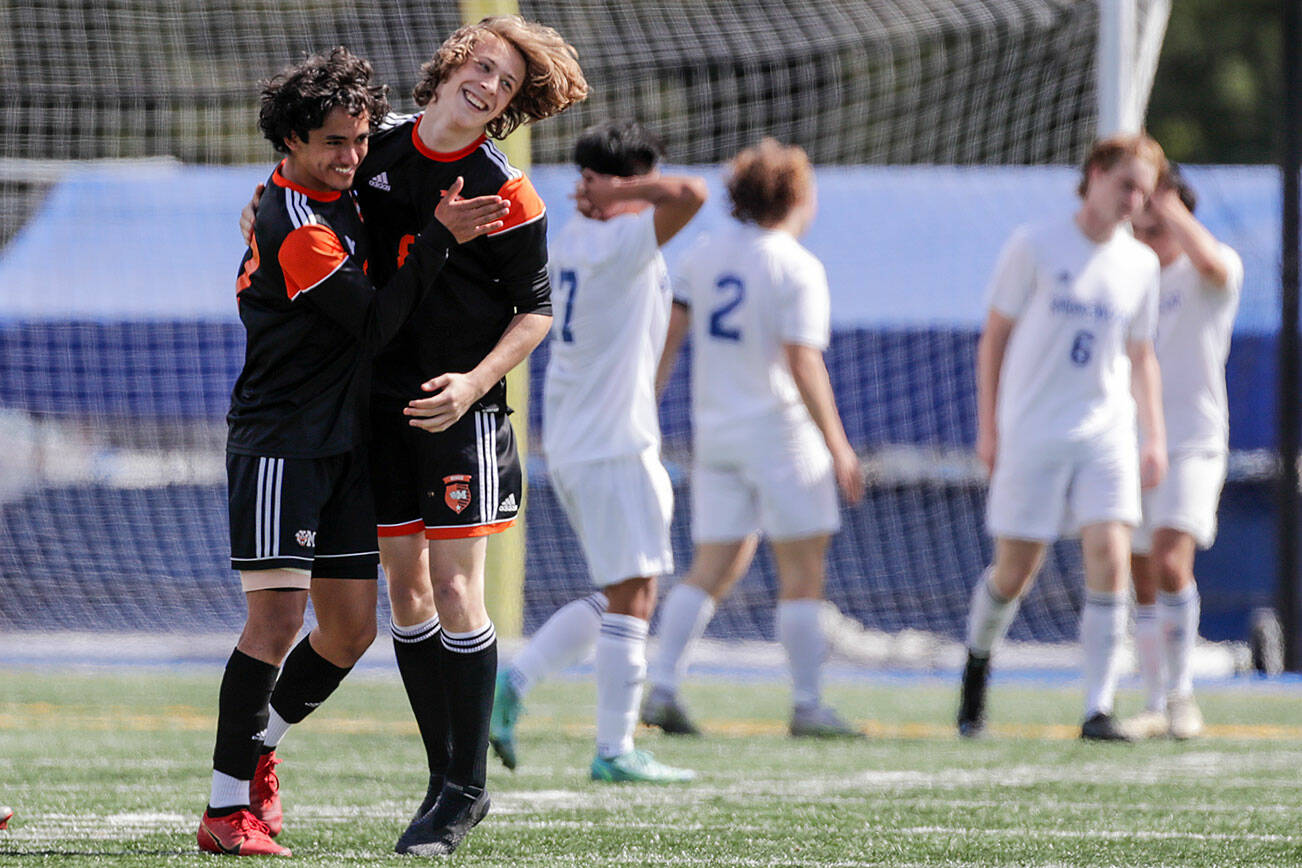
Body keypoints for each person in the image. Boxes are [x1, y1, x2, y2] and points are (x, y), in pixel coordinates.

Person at [242, 15, 587, 857]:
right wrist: (259, 210)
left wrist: (473, 385)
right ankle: (444, 782)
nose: (489, 87)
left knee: (459, 587)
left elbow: (537, 310)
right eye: (485, 66)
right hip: (375, 406)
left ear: (512, 105)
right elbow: (303, 189)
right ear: (454, 61)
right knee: (407, 597)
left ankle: (465, 790)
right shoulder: (378, 146)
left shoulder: (508, 191)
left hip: (458, 410)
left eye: (507, 84)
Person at [204, 48, 504, 858]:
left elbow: (417, 136)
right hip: (283, 442)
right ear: (293, 141)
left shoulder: (329, 191)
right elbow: (374, 325)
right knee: (273, 621)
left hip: (343, 442)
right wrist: (438, 239)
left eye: (360, 140)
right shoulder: (296, 221)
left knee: (347, 632)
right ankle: (227, 804)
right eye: (333, 143)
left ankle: (254, 745)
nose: (351, 158)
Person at [486, 121, 706, 782]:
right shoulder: (618, 236)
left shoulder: (576, 235)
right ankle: (613, 750)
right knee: (635, 593)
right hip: (613, 443)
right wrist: (623, 188)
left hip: (587, 438)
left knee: (622, 592)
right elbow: (692, 192)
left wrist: (605, 189)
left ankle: (515, 683)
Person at [639, 138, 867, 739]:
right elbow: (804, 362)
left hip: (717, 433)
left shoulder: (703, 256)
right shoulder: (796, 266)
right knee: (801, 573)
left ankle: (661, 686)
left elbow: (669, 340)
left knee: (712, 565)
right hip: (782, 435)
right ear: (796, 195)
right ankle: (808, 703)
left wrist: (647, 404)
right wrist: (839, 446)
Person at [956, 133, 1169, 742]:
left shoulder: (1141, 264)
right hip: (1032, 429)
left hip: (1104, 432)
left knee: (1110, 554)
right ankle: (977, 663)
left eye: (1144, 192)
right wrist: (989, 426)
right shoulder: (1035, 244)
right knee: (1015, 571)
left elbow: (1141, 354)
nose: (1134, 200)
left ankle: (1097, 707)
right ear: (1096, 174)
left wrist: (1152, 435)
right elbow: (993, 337)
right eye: (1126, 184)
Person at [1121, 167, 1242, 740]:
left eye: (1156, 228)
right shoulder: (1130, 282)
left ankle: (1183, 694)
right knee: (1140, 571)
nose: (1146, 241)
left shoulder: (1212, 270)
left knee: (1172, 560)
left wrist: (1169, 205)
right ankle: (1153, 699)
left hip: (1193, 440)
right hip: (1136, 440)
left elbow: (1214, 264)